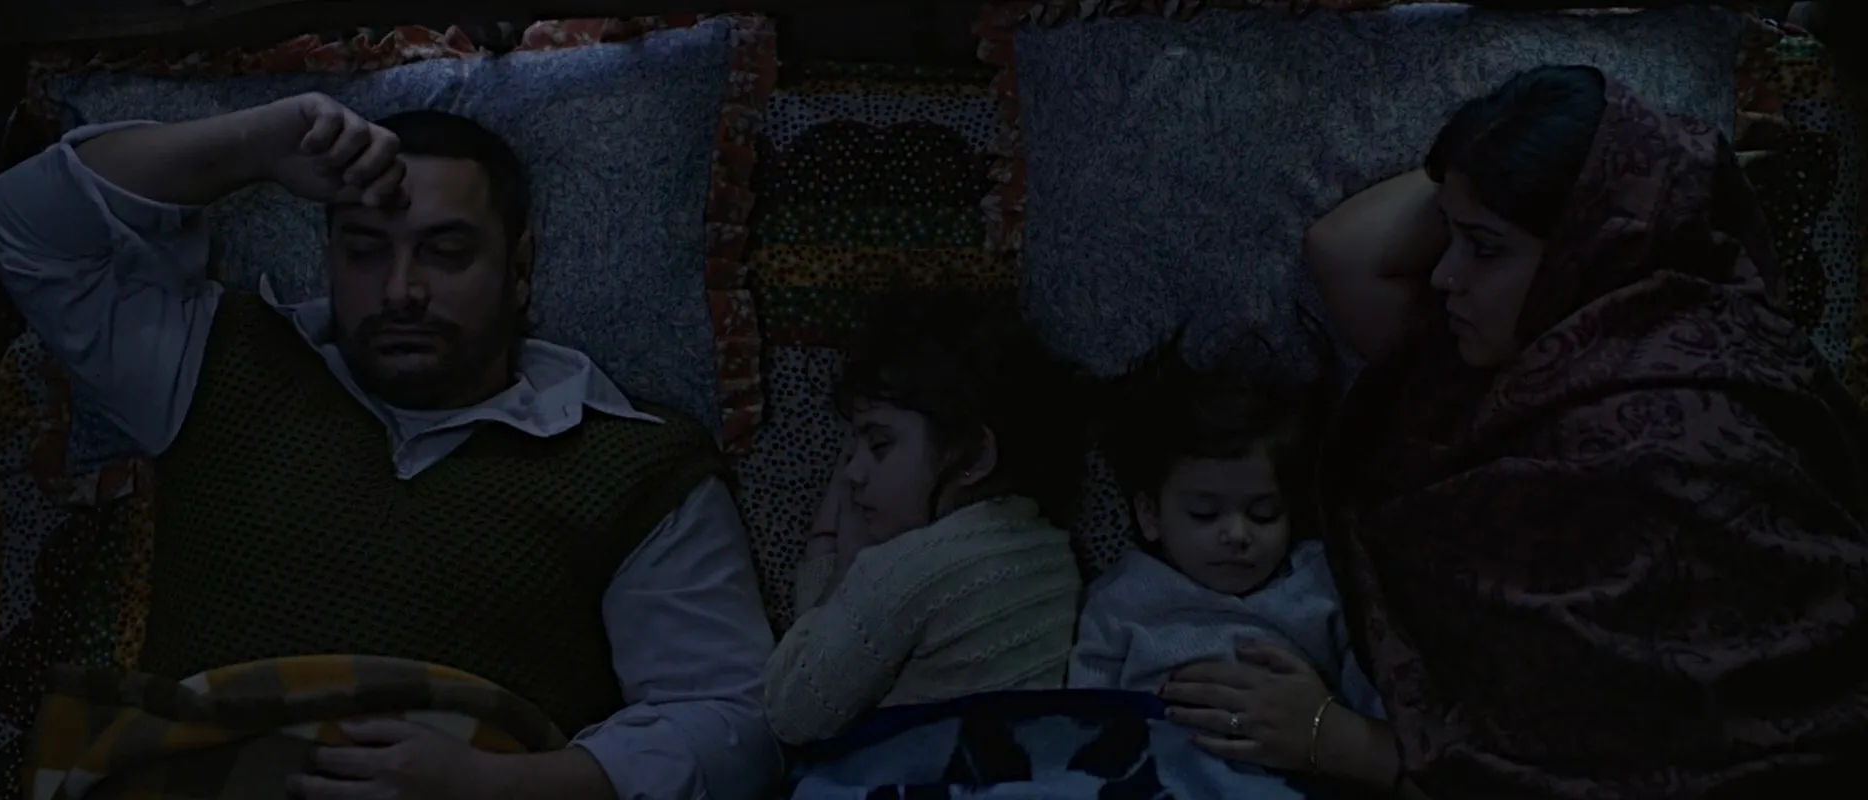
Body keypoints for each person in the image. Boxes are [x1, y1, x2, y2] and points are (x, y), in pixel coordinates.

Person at [0, 92, 780, 799]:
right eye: (365, 251)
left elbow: (733, 721)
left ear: (520, 268)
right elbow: (26, 225)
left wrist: (505, 788)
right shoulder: (211, 365)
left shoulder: (634, 465)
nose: (401, 290)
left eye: (446, 252)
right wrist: (259, 144)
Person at [1234, 64, 1865, 797]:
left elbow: (1634, 769)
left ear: (1591, 243)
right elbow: (1344, 252)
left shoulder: (1663, 439)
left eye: (1484, 246)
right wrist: (1518, 160)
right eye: (1448, 234)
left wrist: (1339, 742)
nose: (1442, 275)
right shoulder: (1524, 345)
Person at [1068, 331, 1385, 798]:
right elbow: (1080, 718)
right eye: (1204, 513)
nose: (1237, 534)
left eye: (1263, 513)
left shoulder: (1320, 584)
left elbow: (1374, 698)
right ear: (1150, 515)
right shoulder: (1121, 598)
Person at [762, 296, 1084, 745]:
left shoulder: (903, 569)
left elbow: (792, 713)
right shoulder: (1055, 552)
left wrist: (843, 569)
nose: (851, 473)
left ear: (973, 456)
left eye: (879, 446)